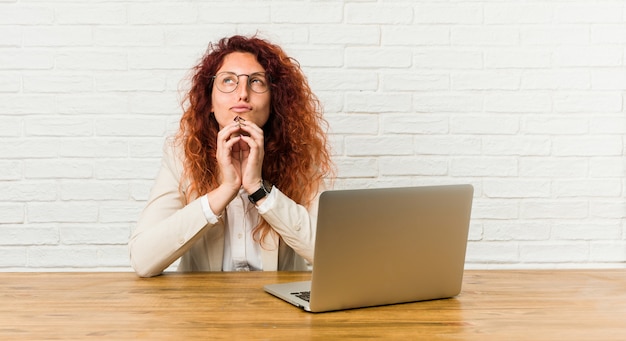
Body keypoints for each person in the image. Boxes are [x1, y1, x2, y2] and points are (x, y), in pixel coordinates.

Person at [129, 35, 334, 277]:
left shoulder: (299, 156)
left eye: (256, 82)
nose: (242, 93)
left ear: (274, 101)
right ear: (210, 102)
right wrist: (225, 189)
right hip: (205, 307)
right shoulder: (182, 156)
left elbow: (331, 256)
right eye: (228, 81)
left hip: (280, 308)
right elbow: (143, 260)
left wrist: (258, 189)